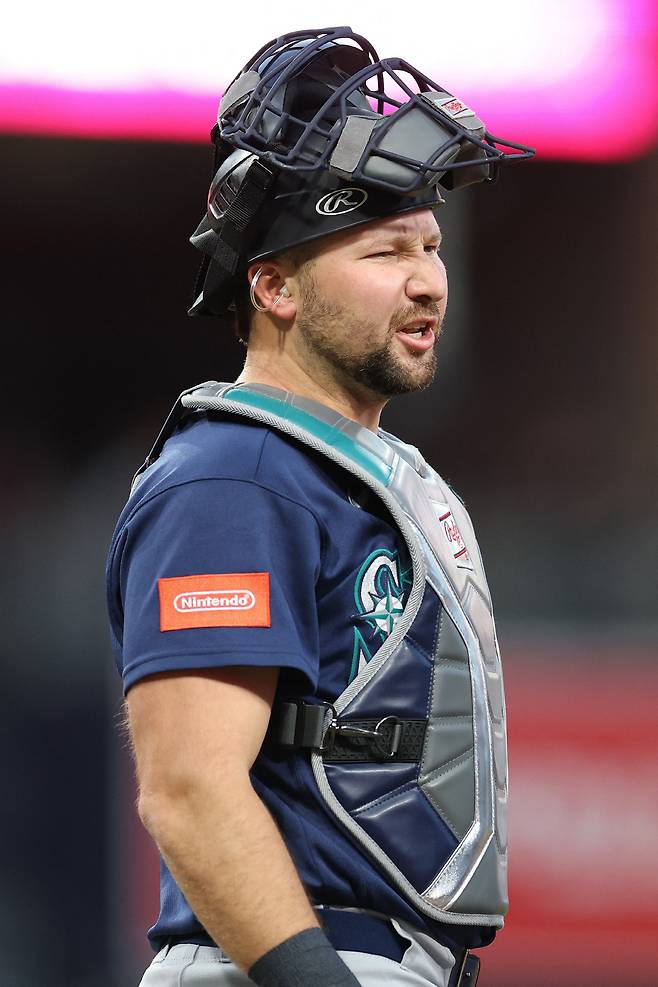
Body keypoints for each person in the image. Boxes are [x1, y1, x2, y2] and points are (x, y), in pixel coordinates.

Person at [106, 27, 534, 987]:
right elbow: (187, 789)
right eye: (385, 251)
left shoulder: (356, 470)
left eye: (429, 245)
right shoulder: (233, 475)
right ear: (275, 285)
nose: (427, 279)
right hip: (278, 963)